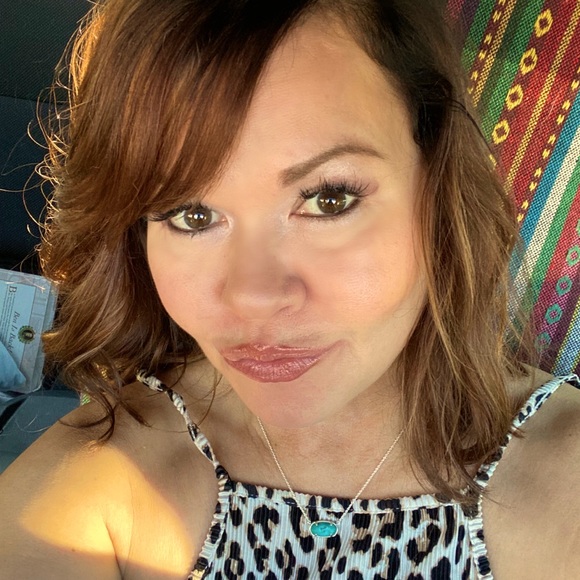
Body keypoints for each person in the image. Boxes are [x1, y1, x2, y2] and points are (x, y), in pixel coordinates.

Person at [0, 0, 579, 578]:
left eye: (329, 198)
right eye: (191, 215)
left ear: (437, 187)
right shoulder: (108, 480)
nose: (252, 296)